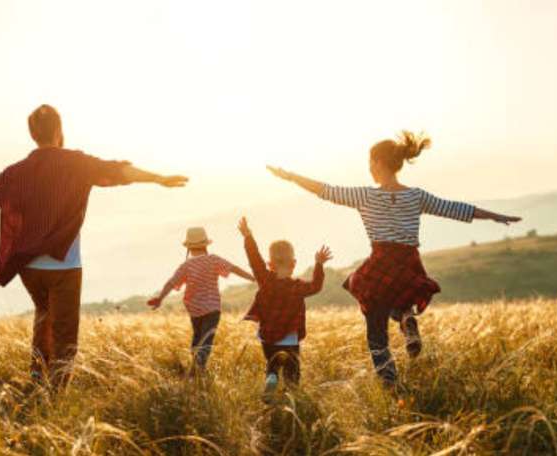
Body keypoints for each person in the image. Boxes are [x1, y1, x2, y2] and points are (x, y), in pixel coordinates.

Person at [0, 104, 188, 389]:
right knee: (65, 335)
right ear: (58, 130)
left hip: (29, 268)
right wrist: (158, 179)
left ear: (33, 134)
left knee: (44, 316)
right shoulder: (76, 163)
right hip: (64, 267)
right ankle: (55, 395)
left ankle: (37, 379)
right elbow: (118, 171)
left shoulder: (14, 173)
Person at [267, 131, 521, 388]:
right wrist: (495, 216)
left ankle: (389, 381)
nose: (369, 168)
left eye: (370, 162)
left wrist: (291, 177)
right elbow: (455, 209)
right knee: (399, 299)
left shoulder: (366, 196)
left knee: (374, 326)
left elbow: (325, 190)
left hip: (381, 261)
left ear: (378, 163)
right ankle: (406, 318)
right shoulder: (416, 196)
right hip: (408, 261)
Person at [237, 217, 331, 400]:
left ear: (269, 264)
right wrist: (319, 265)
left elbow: (254, 259)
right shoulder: (297, 287)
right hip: (289, 336)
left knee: (272, 364)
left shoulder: (264, 279)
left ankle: (271, 378)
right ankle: (291, 396)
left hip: (267, 335)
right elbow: (316, 286)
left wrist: (248, 237)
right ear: (293, 263)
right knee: (292, 370)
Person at [148, 227, 254, 374]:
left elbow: (171, 283)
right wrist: (253, 277)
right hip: (212, 309)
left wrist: (160, 298)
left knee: (197, 338)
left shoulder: (186, 266)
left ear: (189, 248)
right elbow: (233, 268)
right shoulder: (213, 259)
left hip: (195, 310)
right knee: (206, 340)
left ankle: (196, 369)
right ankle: (198, 369)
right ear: (205, 245)